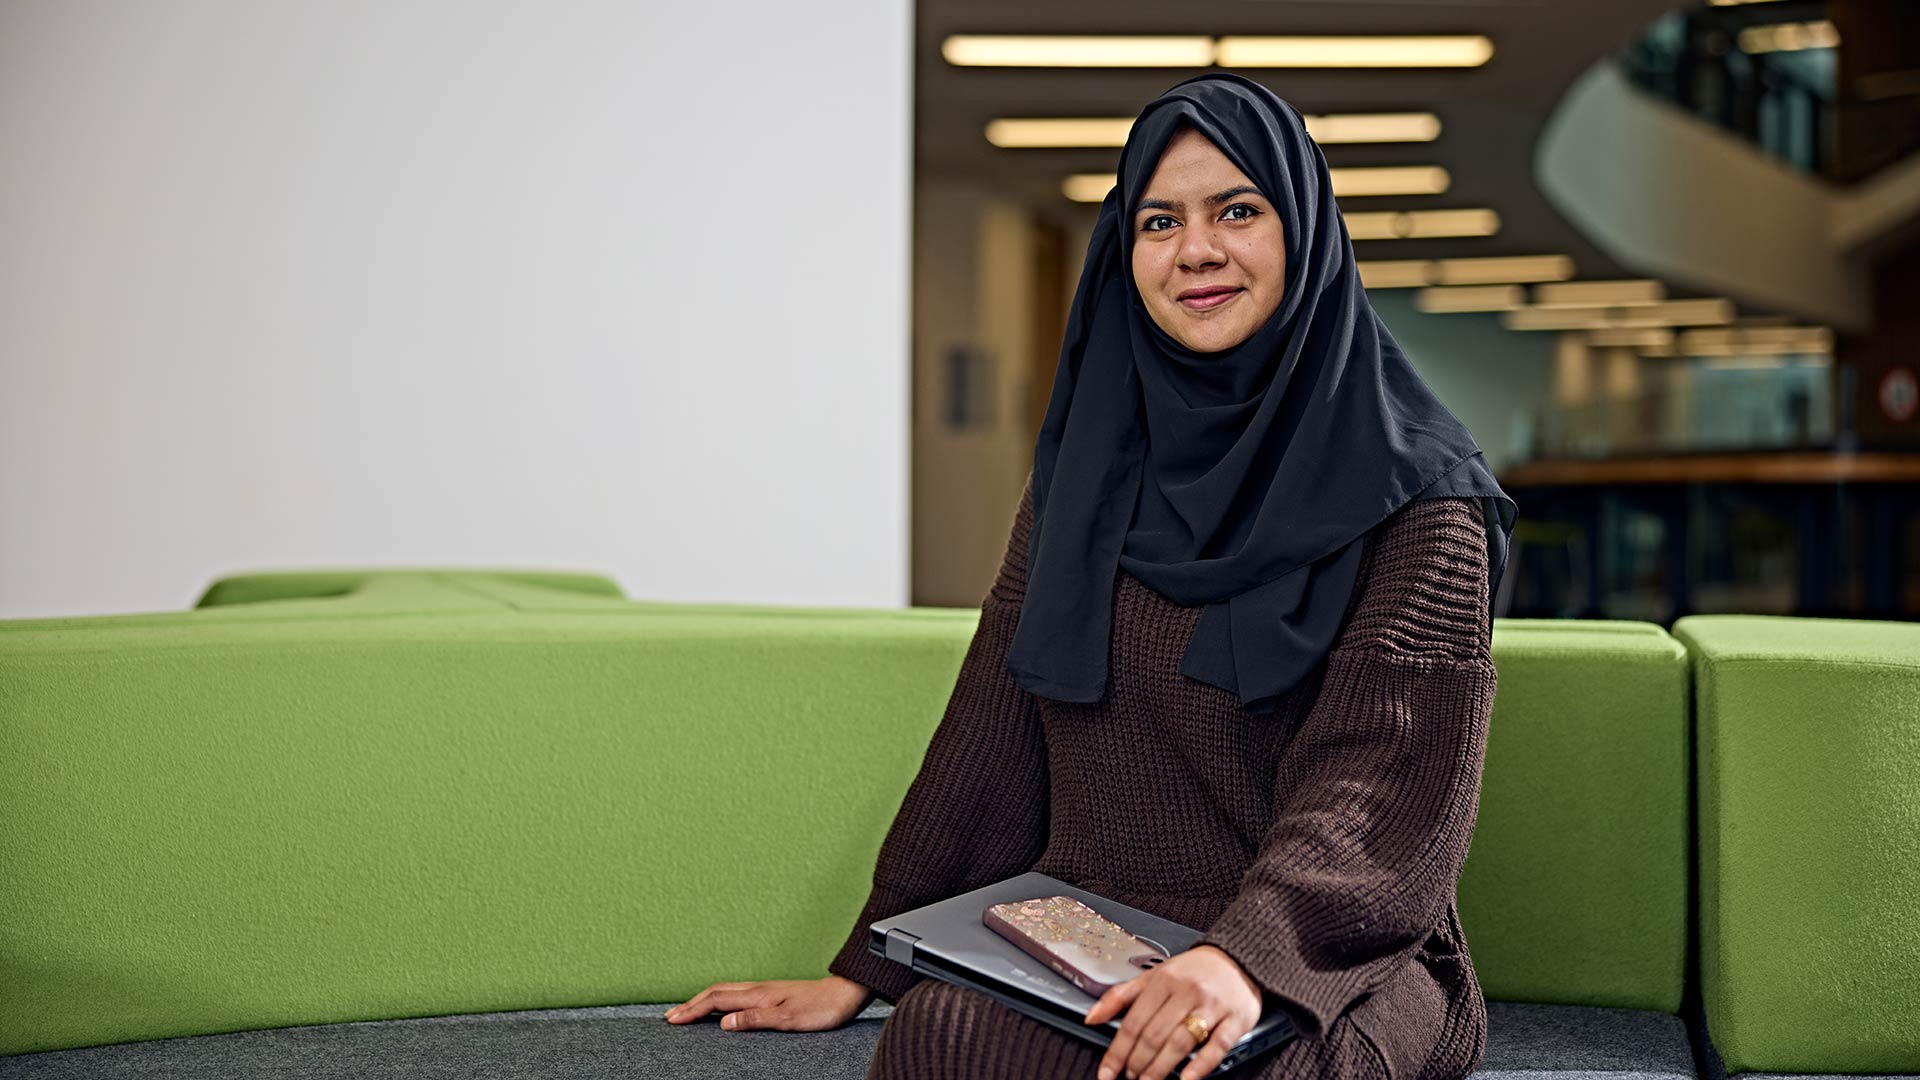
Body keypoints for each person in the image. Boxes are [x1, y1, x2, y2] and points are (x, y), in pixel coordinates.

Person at [666, 71, 1517, 1080]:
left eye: (1238, 210)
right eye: (1159, 221)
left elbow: (1382, 782)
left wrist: (1244, 959)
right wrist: (866, 966)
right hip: (1099, 933)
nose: (1195, 249)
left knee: (1256, 1075)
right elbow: (994, 724)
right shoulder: (1086, 471)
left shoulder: (1422, 496)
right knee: (942, 1037)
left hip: (1329, 961)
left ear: (1304, 230)